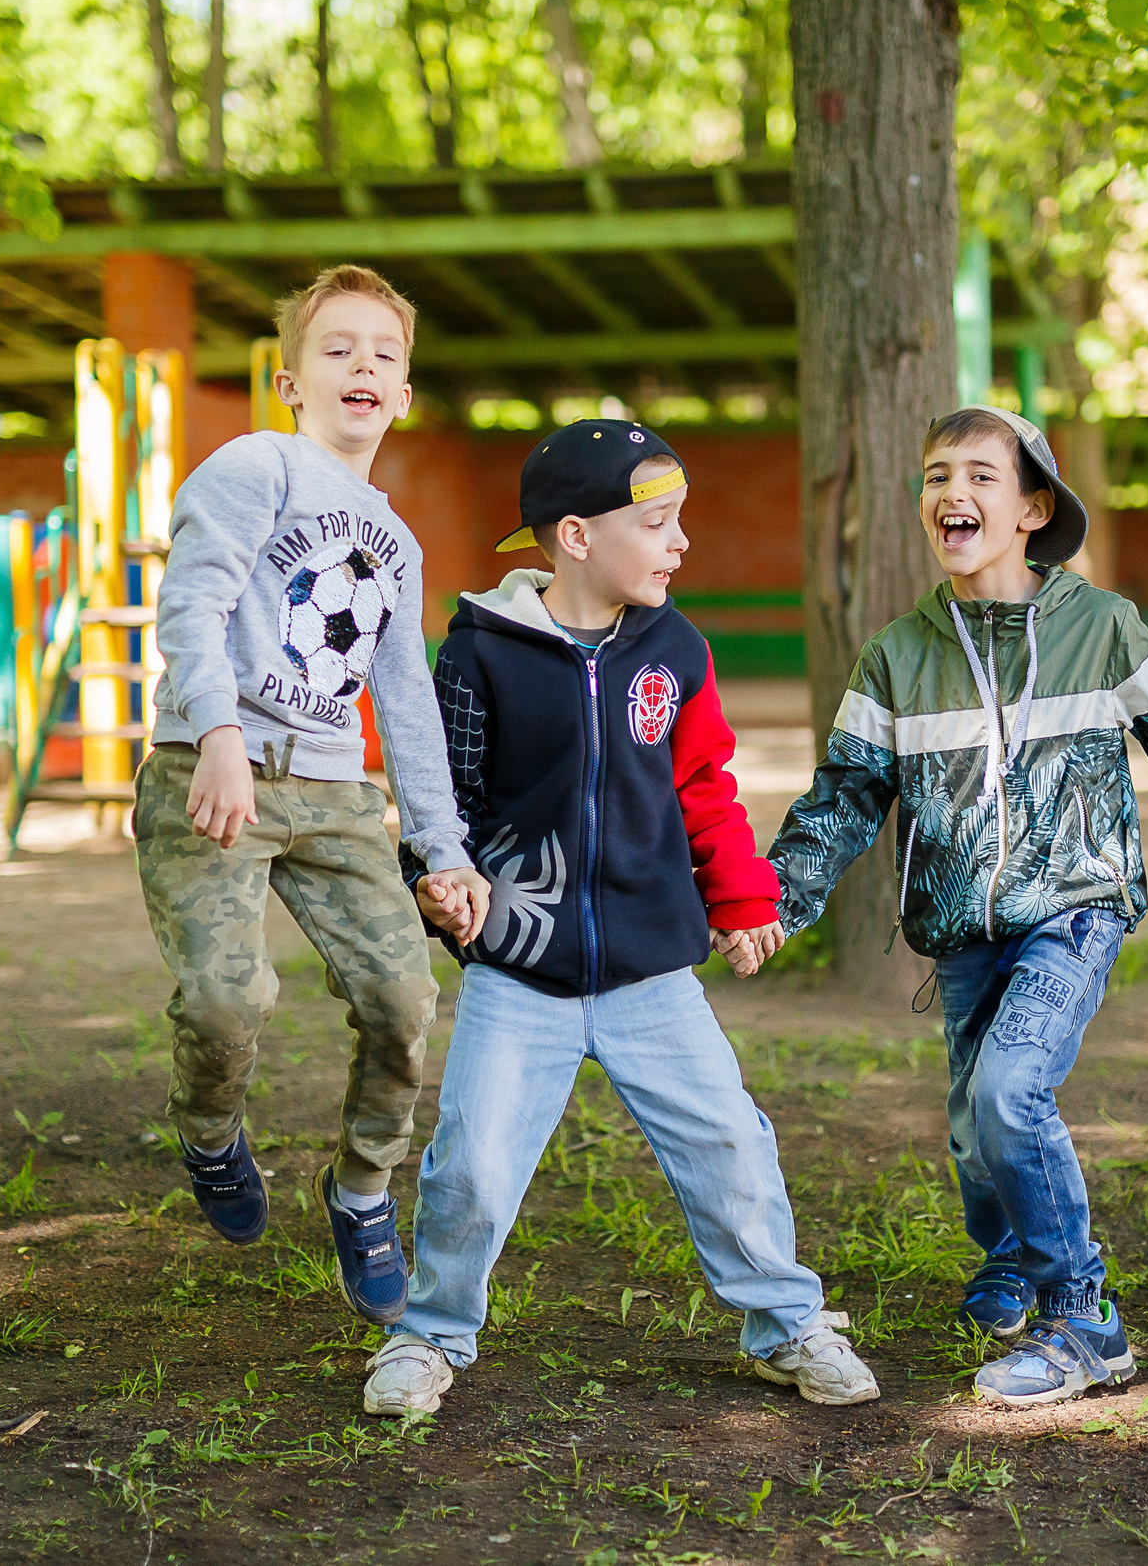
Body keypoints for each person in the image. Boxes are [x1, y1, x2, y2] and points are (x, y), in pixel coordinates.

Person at [764, 405, 1148, 1408]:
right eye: (936, 475)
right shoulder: (894, 657)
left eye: (981, 477)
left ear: (1033, 507)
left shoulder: (1102, 626)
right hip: (959, 930)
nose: (954, 494)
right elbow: (843, 800)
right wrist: (776, 902)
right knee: (971, 1128)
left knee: (1006, 1096)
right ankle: (1010, 1258)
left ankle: (1084, 1324)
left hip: (1075, 909)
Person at [360, 420, 880, 1418]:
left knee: (730, 1144)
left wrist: (740, 901)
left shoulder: (674, 647)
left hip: (651, 974)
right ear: (576, 537)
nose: (679, 543)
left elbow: (705, 785)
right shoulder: (479, 654)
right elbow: (440, 799)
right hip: (520, 972)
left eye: (677, 521)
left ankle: (785, 1324)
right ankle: (427, 1336)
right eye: (655, 523)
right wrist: (440, 877)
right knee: (469, 1163)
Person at [135, 264, 490, 1328]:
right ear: (289, 383)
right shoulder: (256, 467)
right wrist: (221, 736)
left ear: (405, 393)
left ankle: (363, 1189)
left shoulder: (399, 540)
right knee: (224, 1002)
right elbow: (189, 608)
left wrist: (444, 849)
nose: (362, 368)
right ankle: (208, 1134)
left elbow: (406, 703)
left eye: (383, 354)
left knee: (403, 1004)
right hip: (212, 773)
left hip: (337, 793)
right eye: (337, 350)